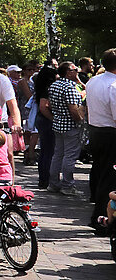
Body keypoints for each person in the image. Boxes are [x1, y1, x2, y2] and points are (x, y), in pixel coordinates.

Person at [85, 49, 116, 228]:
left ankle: (98, 213)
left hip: (96, 130)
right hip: (110, 133)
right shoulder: (113, 85)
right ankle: (102, 219)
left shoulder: (93, 81)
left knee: (98, 171)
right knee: (109, 178)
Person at [47, 61, 86, 195]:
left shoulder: (54, 85)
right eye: (75, 70)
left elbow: (50, 105)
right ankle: (67, 185)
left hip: (58, 124)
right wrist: (80, 122)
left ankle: (53, 183)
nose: (77, 72)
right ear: (68, 72)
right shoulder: (70, 87)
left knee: (58, 155)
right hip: (70, 126)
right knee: (69, 156)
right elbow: (74, 110)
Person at [33, 64, 59, 191]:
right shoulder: (47, 89)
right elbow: (44, 107)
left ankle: (43, 179)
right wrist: (53, 119)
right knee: (48, 152)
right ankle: (45, 179)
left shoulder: (41, 88)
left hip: (42, 120)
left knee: (45, 151)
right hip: (46, 120)